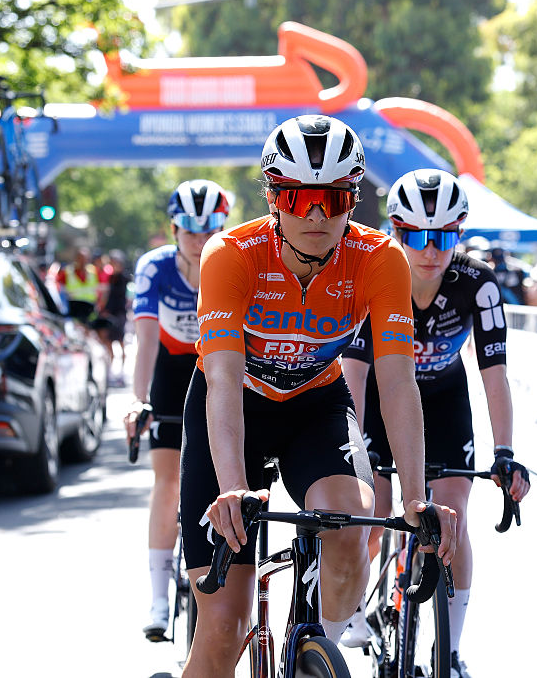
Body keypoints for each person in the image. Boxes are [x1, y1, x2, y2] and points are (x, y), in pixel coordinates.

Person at [178, 115, 462, 677]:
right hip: (237, 406)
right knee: (223, 634)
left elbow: (398, 384)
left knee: (351, 522)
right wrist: (234, 487)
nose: (313, 214)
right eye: (297, 196)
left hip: (316, 404)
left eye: (331, 199)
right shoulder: (231, 253)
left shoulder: (379, 259)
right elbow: (224, 381)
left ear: (352, 200)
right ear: (273, 198)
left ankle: (318, 655)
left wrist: (414, 497)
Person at [340, 169, 530, 676]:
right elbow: (354, 373)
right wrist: (353, 445)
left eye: (444, 235)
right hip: (382, 400)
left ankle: (449, 648)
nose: (430, 248)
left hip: (445, 401)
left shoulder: (478, 283)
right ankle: (356, 604)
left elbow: (495, 376)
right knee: (374, 512)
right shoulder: (374, 274)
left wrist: (505, 452)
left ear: (460, 231)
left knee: (454, 520)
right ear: (396, 233)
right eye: (416, 236)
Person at [123, 179, 231, 641]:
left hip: (218, 369)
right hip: (170, 371)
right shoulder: (155, 268)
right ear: (173, 229)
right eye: (189, 227)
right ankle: (158, 598)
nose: (200, 236)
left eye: (211, 226)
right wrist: (137, 399)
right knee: (167, 483)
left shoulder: (231, 261)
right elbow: (145, 341)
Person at [96, 249, 132, 385]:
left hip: (120, 315)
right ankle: (110, 372)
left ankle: (121, 373)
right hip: (109, 314)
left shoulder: (124, 278)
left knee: (121, 344)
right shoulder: (109, 277)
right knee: (108, 343)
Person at [56, 246, 101, 322]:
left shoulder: (94, 271)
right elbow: (58, 288)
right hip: (73, 313)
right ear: (76, 259)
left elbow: (100, 289)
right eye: (80, 258)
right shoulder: (67, 272)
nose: (83, 261)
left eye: (85, 259)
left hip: (90, 314)